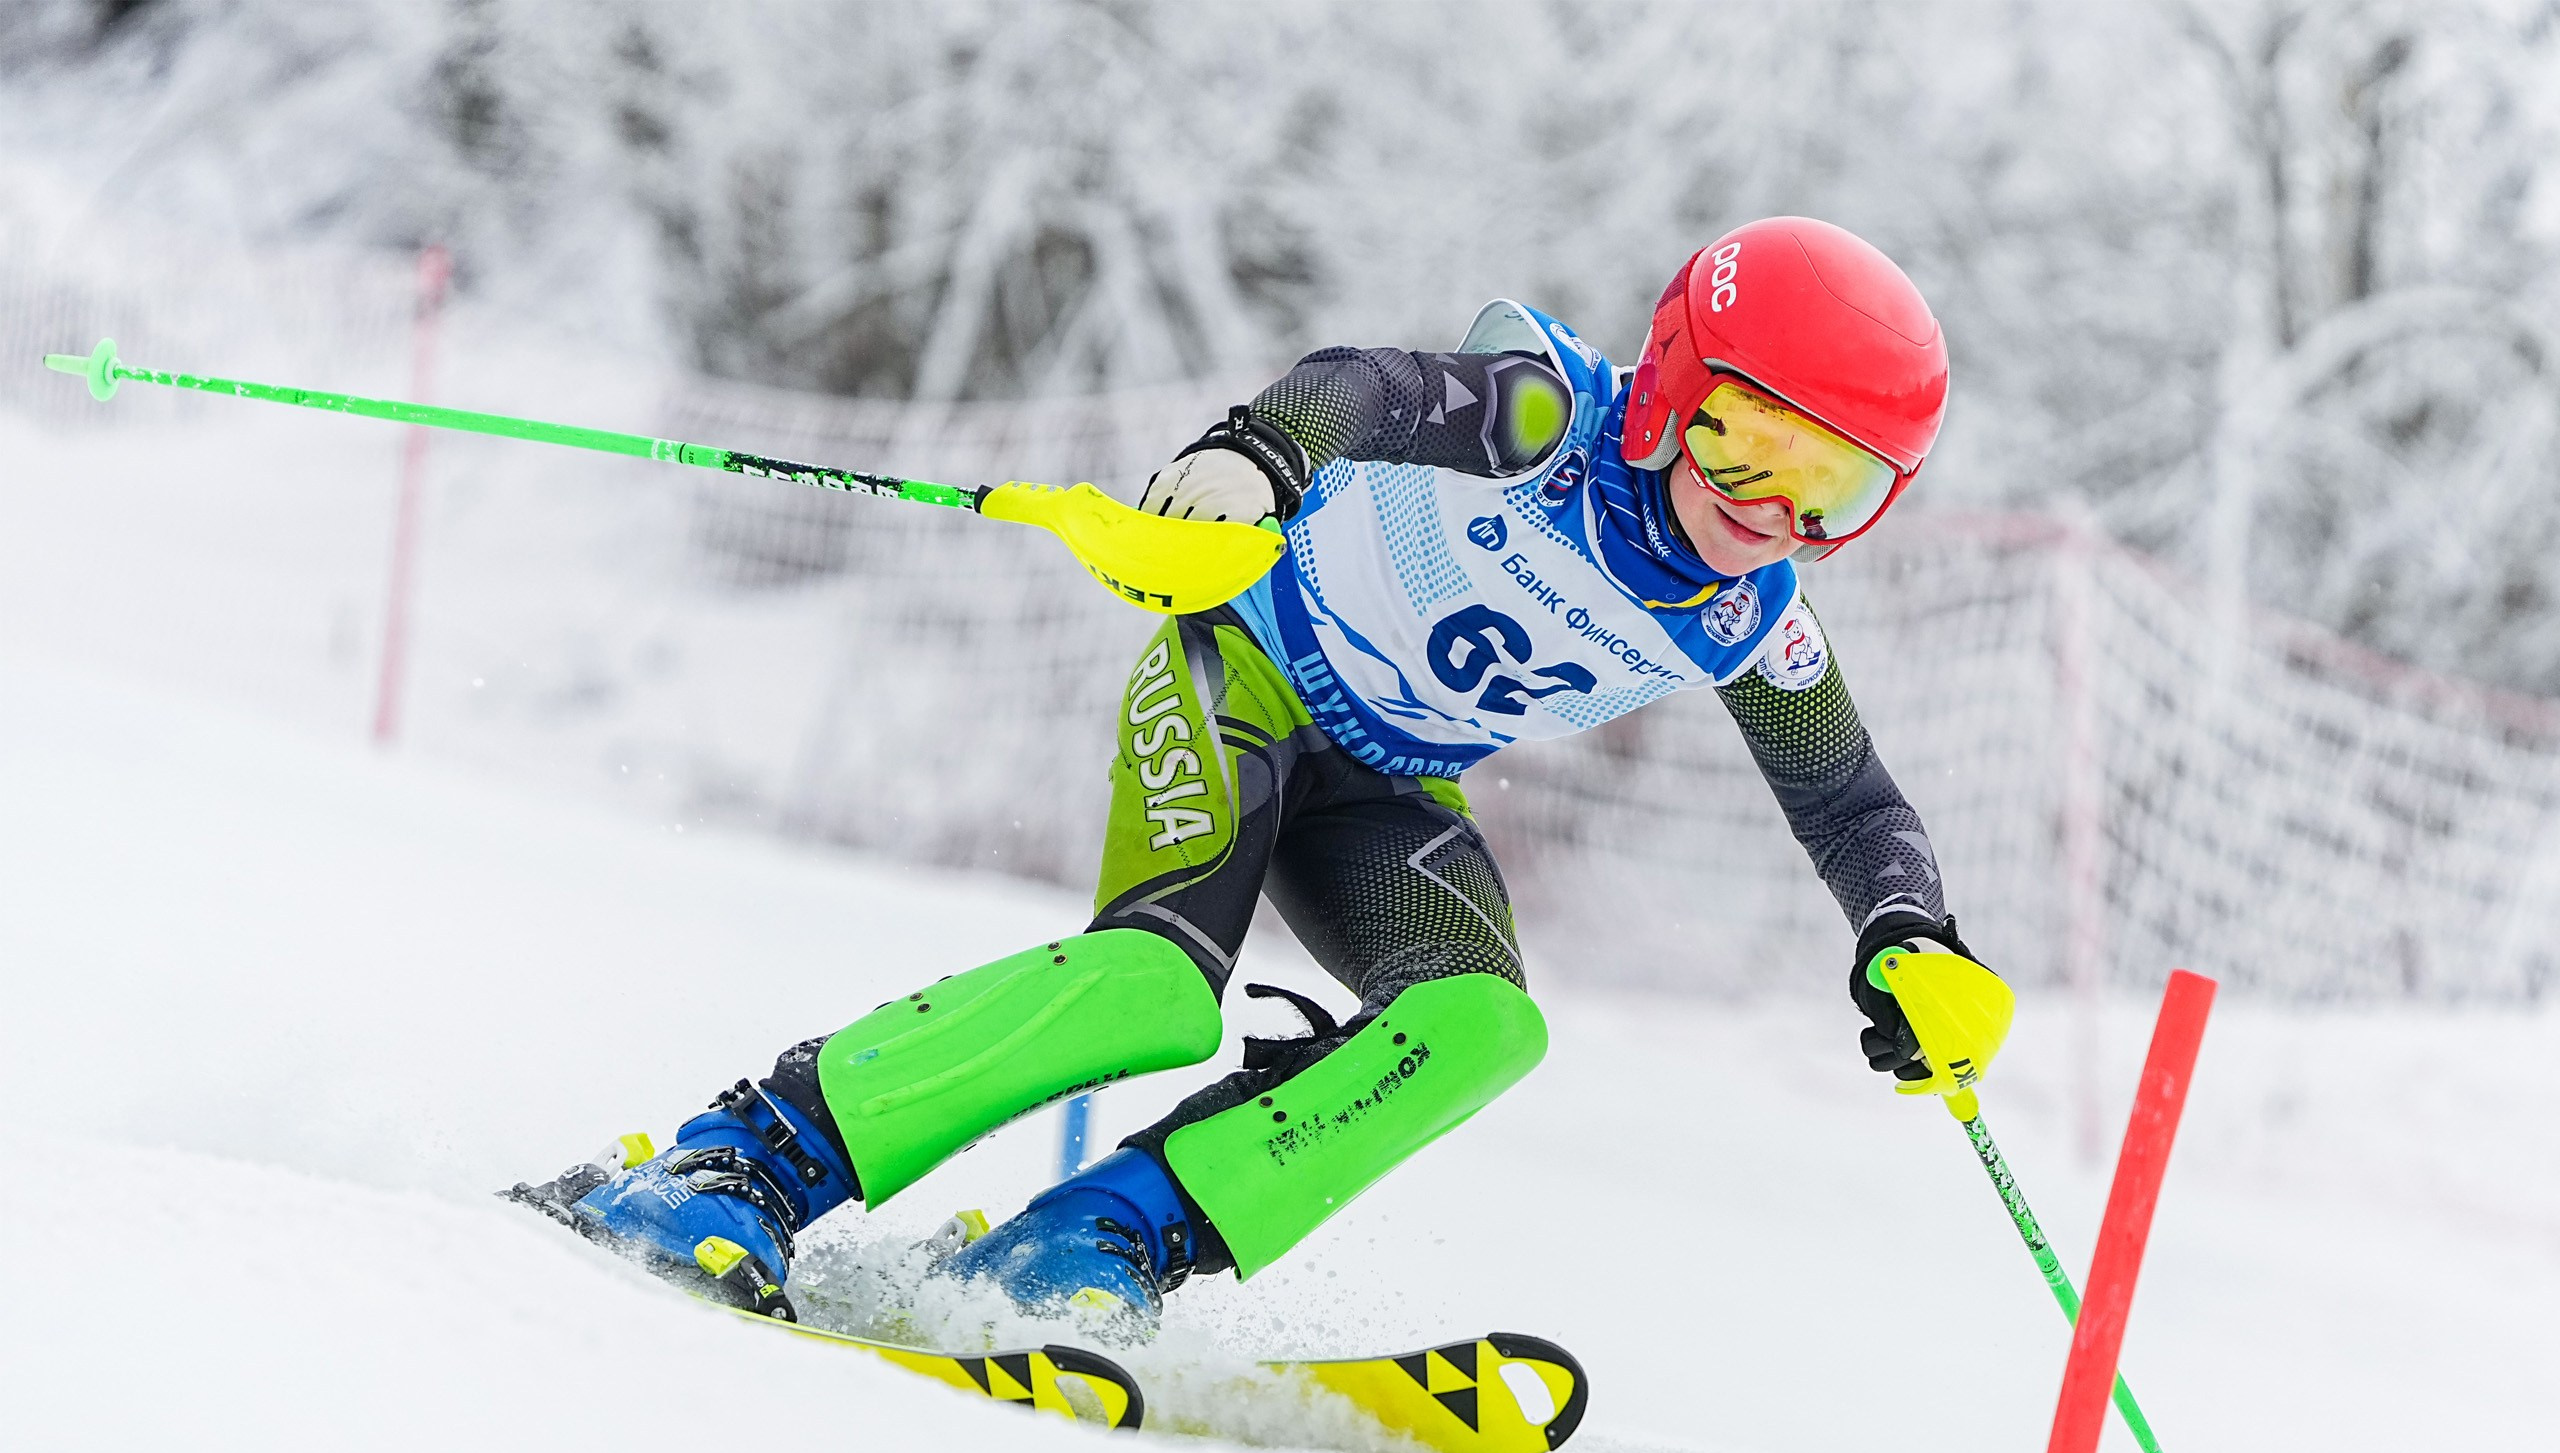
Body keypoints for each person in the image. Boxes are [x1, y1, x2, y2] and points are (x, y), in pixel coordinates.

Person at [518, 215, 2002, 1335]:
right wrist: (1253, 461)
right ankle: (738, 1162)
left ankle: (1092, 1239)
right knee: (1159, 989)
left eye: (1835, 489)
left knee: (1482, 1026)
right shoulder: (1552, 424)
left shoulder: (1750, 620)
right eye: (1747, 446)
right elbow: (1366, 391)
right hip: (1248, 668)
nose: (1773, 514)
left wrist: (1911, 934)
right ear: (1678, 385)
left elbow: (1850, 801)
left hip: (1384, 789)